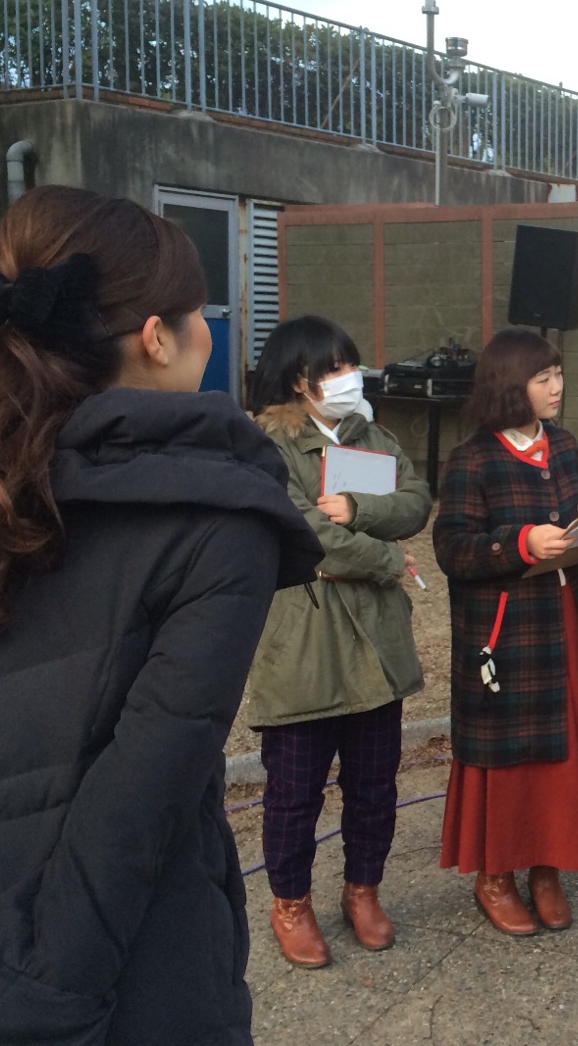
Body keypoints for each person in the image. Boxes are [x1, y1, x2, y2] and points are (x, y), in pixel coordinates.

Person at [0, 186, 321, 1044]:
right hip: (110, 976)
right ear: (157, 337)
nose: (207, 331)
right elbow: (138, 802)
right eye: (199, 311)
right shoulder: (217, 519)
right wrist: (32, 995)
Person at [246, 316, 432, 968]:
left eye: (351, 365)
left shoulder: (370, 436)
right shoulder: (269, 445)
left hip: (376, 641)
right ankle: (290, 903)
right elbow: (305, 536)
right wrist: (387, 561)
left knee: (374, 784)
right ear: (300, 380)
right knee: (294, 790)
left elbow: (415, 501)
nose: (351, 378)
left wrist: (358, 510)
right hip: (305, 639)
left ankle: (363, 890)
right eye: (335, 368)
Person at [433, 329, 578, 936]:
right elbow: (452, 548)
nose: (557, 387)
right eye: (543, 378)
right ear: (509, 385)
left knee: (565, 745)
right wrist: (519, 543)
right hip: (510, 634)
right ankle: (494, 876)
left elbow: (577, 522)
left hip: (569, 623)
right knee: (510, 758)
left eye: (558, 374)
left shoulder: (563, 445)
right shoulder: (474, 458)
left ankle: (548, 869)